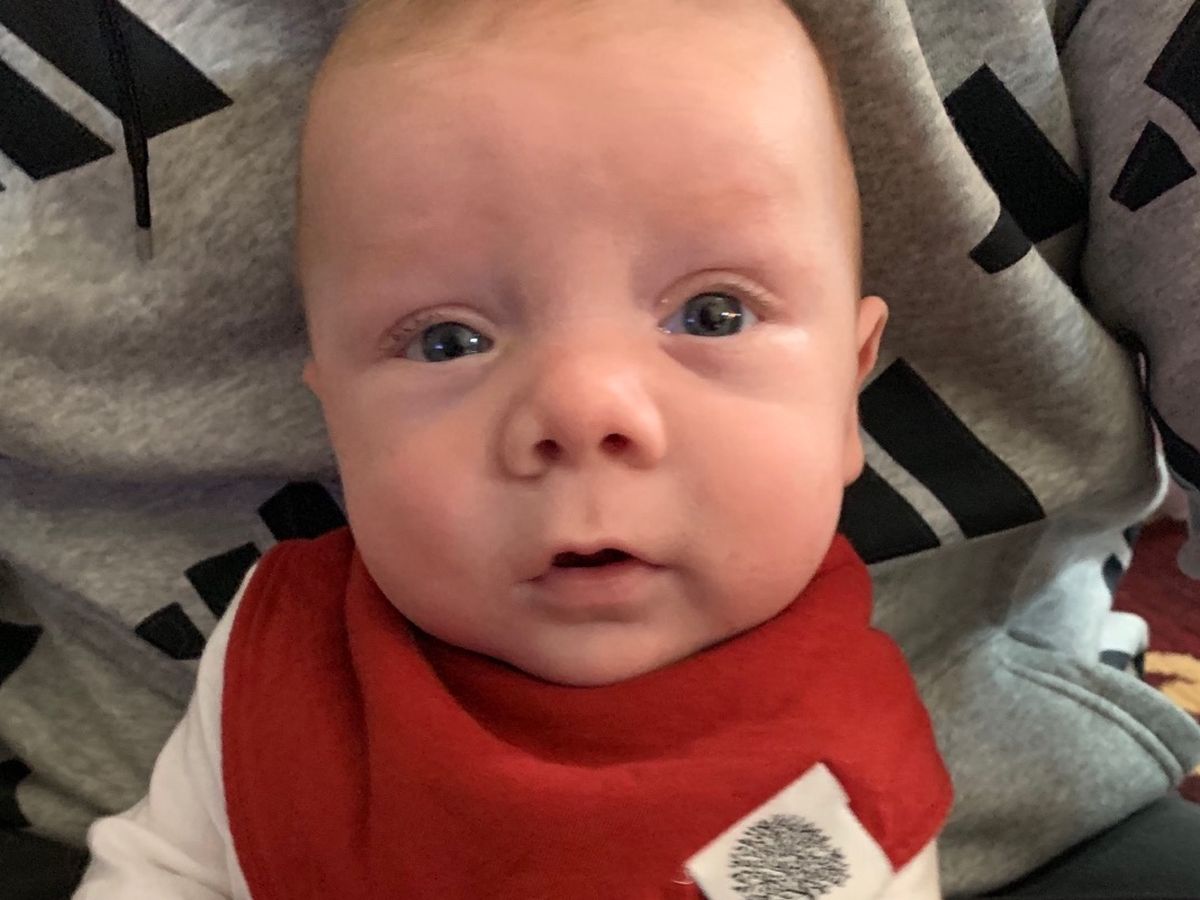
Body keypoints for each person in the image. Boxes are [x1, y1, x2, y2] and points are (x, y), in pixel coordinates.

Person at [2, 0, 1198, 897]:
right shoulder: (281, 666)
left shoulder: (827, 777)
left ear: (850, 397)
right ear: (335, 416)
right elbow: (160, 874)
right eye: (448, 340)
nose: (582, 408)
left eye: (712, 315)